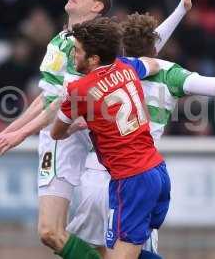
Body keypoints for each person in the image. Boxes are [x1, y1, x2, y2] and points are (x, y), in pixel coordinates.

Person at [65, 12, 215, 256]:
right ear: (155, 46)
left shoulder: (107, 69)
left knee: (90, 250)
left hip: (97, 175)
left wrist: (182, 8)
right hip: (139, 175)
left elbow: (143, 46)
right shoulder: (170, 73)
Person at [0, 0, 114, 259]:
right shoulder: (61, 39)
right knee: (73, 237)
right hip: (67, 139)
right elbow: (48, 96)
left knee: (58, 232)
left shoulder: (92, 46)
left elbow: (67, 102)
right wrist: (9, 131)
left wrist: (19, 135)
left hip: (81, 142)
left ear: (97, 5)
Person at [50, 17, 170, 259]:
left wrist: (78, 125)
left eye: (78, 51)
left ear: (94, 59)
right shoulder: (127, 68)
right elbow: (153, 65)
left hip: (131, 180)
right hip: (157, 171)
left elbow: (56, 133)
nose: (74, 55)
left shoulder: (79, 91)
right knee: (125, 252)